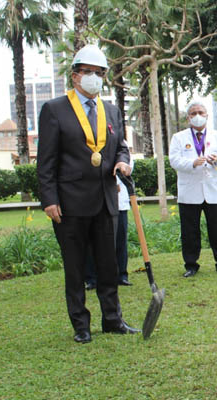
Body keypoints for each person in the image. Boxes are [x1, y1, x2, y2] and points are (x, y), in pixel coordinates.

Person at [37, 44, 139, 344]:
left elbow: (121, 146)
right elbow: (46, 160)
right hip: (70, 203)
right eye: (88, 72)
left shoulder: (111, 110)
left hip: (106, 200)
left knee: (109, 265)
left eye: (100, 73)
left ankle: (113, 319)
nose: (94, 77)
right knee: (76, 268)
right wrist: (49, 199)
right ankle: (81, 324)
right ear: (75, 76)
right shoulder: (55, 109)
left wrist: (123, 161)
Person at [169, 100, 217, 278]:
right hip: (189, 192)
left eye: (201, 113)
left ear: (207, 116)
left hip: (213, 190)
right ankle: (191, 265)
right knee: (189, 231)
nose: (197, 116)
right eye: (193, 113)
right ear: (188, 118)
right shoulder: (178, 137)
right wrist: (192, 163)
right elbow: (174, 160)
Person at [84, 152, 134, 290]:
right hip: (94, 200)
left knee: (120, 240)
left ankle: (121, 275)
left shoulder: (120, 146)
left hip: (119, 202)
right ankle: (92, 278)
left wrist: (115, 181)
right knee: (92, 241)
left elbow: (127, 166)